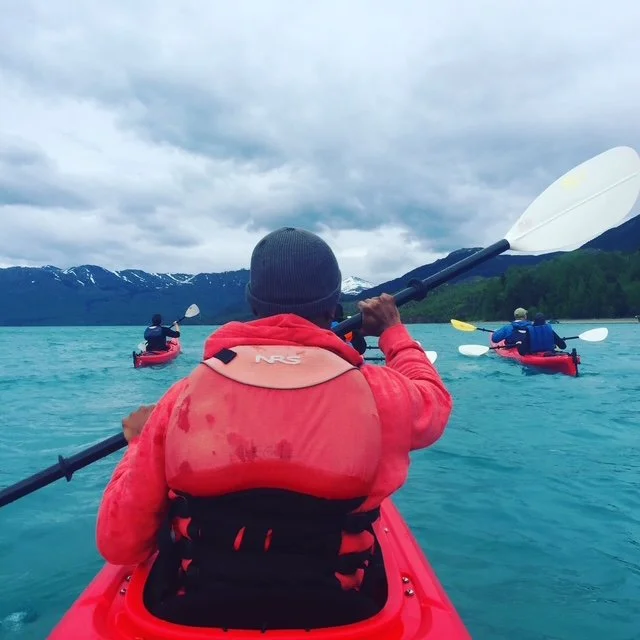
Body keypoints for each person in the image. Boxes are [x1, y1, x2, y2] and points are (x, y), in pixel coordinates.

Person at [96, 227, 452, 631]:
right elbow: (433, 401)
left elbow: (120, 543)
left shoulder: (180, 400)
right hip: (344, 611)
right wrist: (393, 333)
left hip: (195, 608)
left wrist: (140, 440)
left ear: (251, 301)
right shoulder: (381, 393)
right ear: (335, 305)